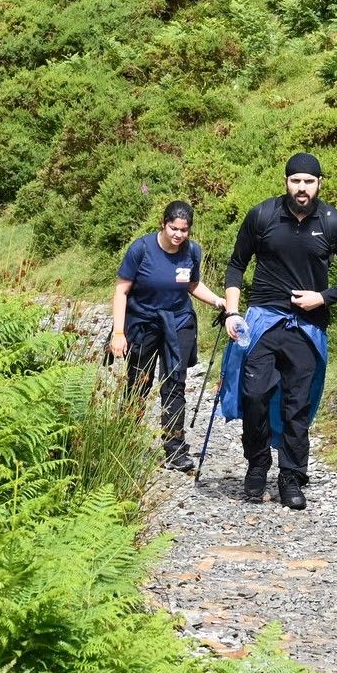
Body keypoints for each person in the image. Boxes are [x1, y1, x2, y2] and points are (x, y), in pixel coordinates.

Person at [222, 152, 337, 510]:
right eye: (295, 180)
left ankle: (291, 476)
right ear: (286, 181)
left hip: (308, 326)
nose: (302, 188)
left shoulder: (332, 222)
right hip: (263, 321)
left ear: (319, 183)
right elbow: (237, 265)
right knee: (254, 394)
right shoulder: (262, 215)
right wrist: (232, 311)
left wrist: (324, 297)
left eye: (309, 181)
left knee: (297, 405)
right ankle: (257, 464)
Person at [111, 201, 227, 472]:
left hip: (180, 322)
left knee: (175, 383)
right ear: (163, 224)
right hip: (143, 322)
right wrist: (118, 332)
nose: (178, 235)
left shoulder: (192, 252)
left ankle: (175, 451)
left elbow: (192, 284)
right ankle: (123, 441)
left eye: (184, 230)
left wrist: (218, 301)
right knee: (139, 381)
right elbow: (121, 291)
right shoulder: (141, 249)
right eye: (173, 228)